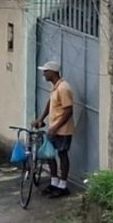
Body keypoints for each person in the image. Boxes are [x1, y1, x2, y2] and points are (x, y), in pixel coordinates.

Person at [33, 60, 76, 197]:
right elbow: (50, 103)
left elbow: (68, 110)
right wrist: (41, 119)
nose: (44, 74)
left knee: (62, 155)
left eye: (46, 71)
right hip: (54, 128)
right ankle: (54, 182)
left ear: (53, 72)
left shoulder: (63, 88)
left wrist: (56, 127)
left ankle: (62, 186)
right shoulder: (55, 87)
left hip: (62, 129)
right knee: (49, 155)